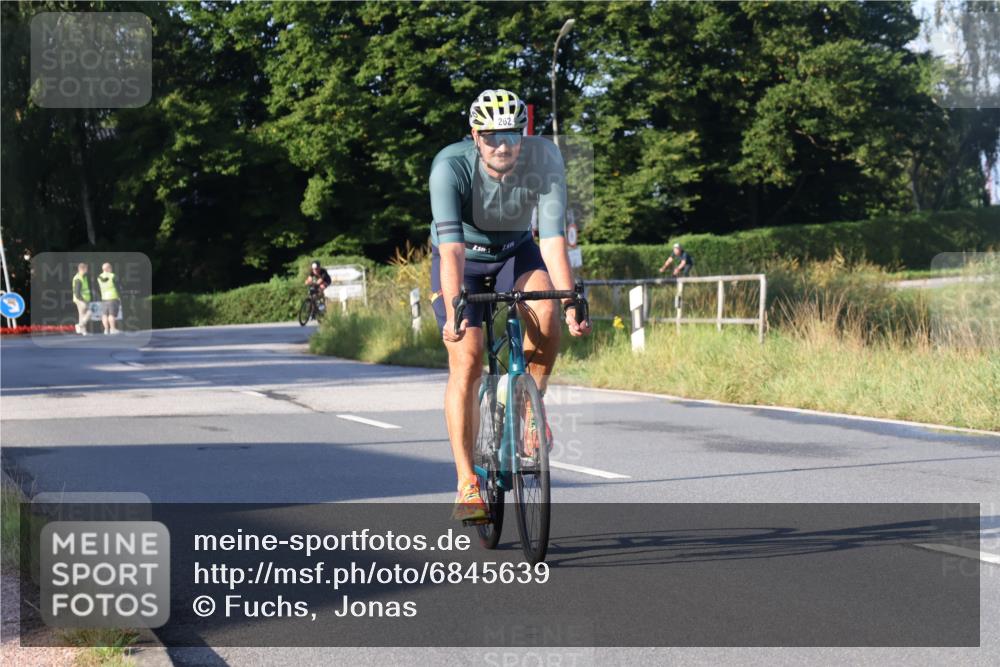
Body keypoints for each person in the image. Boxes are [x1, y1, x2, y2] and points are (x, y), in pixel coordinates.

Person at [429, 88, 591, 522]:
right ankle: (466, 482)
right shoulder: (450, 167)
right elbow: (452, 253)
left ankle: (528, 409)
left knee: (548, 309)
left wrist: (572, 299)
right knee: (468, 359)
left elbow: (553, 240)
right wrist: (456, 308)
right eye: (492, 136)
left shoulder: (545, 159)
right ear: (475, 137)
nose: (503, 145)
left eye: (512, 135)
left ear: (524, 134)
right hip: (462, 260)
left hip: (516, 251)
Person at [97, 262, 122, 334]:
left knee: (104, 314)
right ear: (108, 268)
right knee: (111, 314)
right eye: (110, 268)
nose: (111, 269)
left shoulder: (99, 277)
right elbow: (118, 287)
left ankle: (106, 330)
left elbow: (98, 287)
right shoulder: (113, 276)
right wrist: (120, 296)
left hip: (104, 298)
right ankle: (113, 329)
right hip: (113, 297)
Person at [71, 262, 93, 335]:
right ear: (82, 269)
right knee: (89, 312)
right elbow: (77, 292)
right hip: (80, 300)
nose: (87, 270)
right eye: (86, 268)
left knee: (82, 315)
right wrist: (82, 299)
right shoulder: (78, 278)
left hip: (83, 299)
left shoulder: (83, 277)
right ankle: (80, 325)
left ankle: (83, 331)